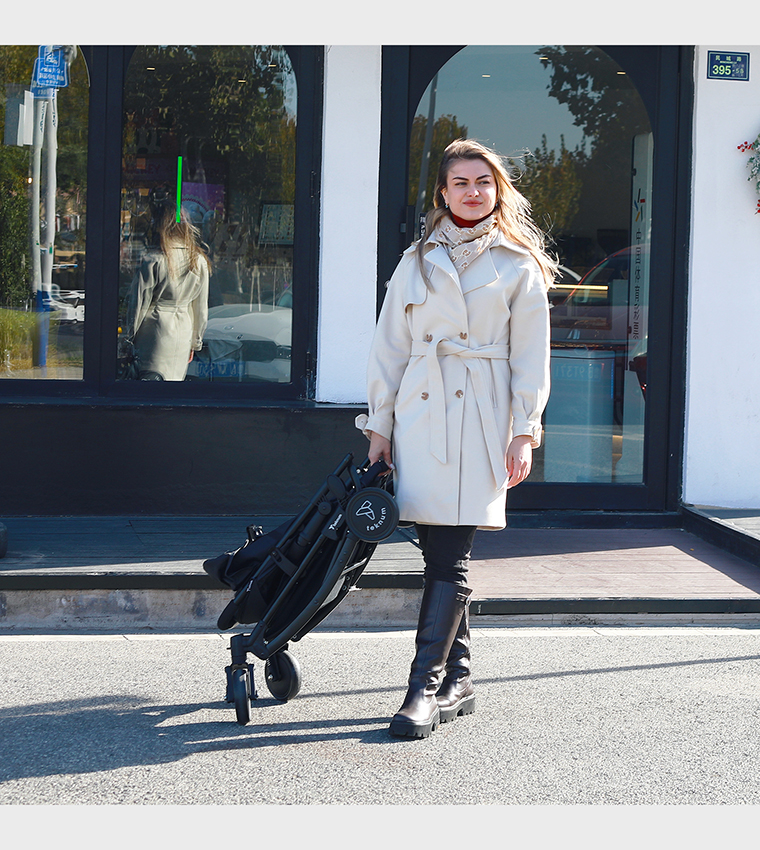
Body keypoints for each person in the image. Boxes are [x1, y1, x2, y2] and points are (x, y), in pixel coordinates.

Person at [358, 139, 557, 738]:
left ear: (498, 191)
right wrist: (379, 426)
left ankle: (422, 686)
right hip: (421, 419)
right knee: (437, 552)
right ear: (442, 193)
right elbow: (389, 348)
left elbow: (531, 358)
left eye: (484, 182)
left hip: (482, 418)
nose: (473, 192)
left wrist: (525, 431)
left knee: (451, 555)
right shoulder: (415, 261)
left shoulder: (519, 266)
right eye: (461, 183)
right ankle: (460, 675)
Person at [125, 189, 210, 381]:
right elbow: (201, 310)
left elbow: (138, 306)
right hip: (183, 333)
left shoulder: (153, 260)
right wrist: (195, 343)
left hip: (154, 332)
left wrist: (128, 340)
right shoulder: (199, 260)